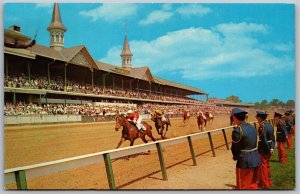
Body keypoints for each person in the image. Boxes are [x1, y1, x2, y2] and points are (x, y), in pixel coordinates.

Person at [231, 108, 260, 190]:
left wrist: (235, 156)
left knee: (243, 185)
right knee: (253, 184)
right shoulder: (252, 127)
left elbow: (235, 148)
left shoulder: (237, 131)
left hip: (244, 160)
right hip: (255, 158)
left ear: (235, 117)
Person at [256, 111, 275, 189]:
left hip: (264, 149)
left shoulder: (262, 126)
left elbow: (263, 140)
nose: (256, 118)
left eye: (257, 117)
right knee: (267, 165)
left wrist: (267, 150)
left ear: (260, 118)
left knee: (263, 167)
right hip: (269, 147)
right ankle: (268, 181)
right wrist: (272, 148)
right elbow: (273, 138)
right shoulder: (270, 125)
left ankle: (264, 184)